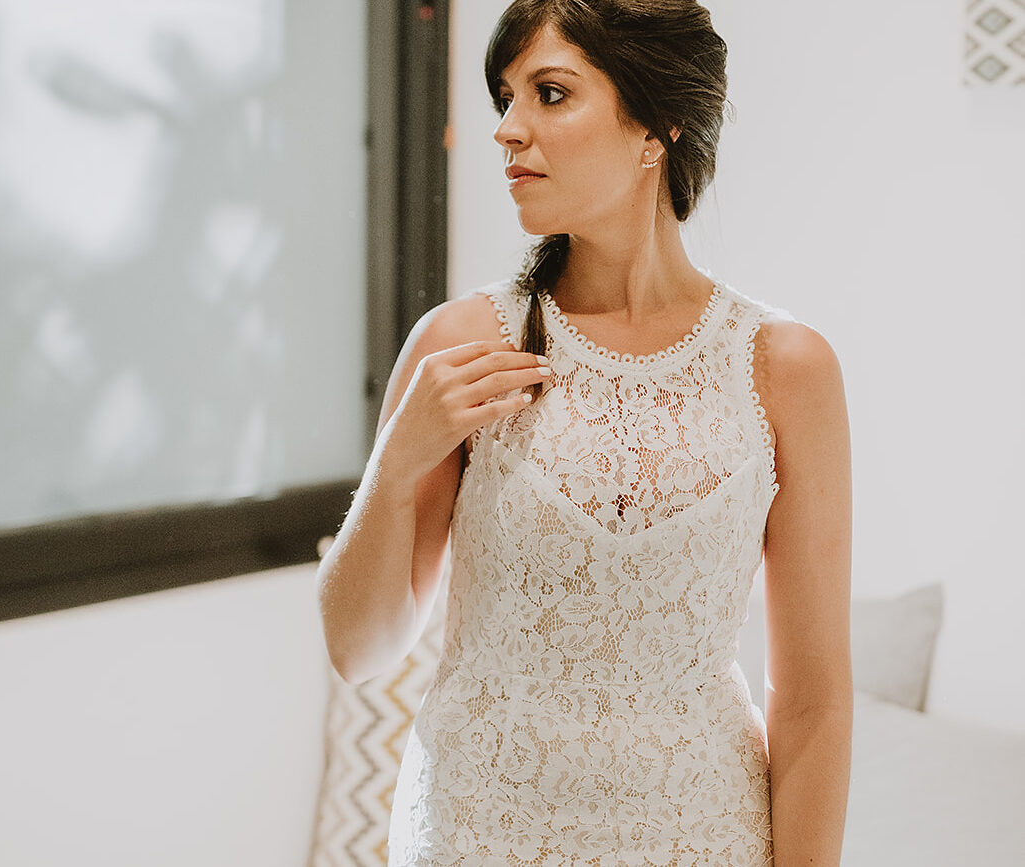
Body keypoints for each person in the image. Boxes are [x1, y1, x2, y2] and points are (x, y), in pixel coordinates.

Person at [317, 0, 853, 863]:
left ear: (657, 125)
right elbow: (357, 649)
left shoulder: (785, 368)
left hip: (702, 836)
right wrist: (397, 459)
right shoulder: (463, 344)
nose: (507, 130)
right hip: (474, 834)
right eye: (505, 97)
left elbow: (814, 701)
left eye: (550, 94)